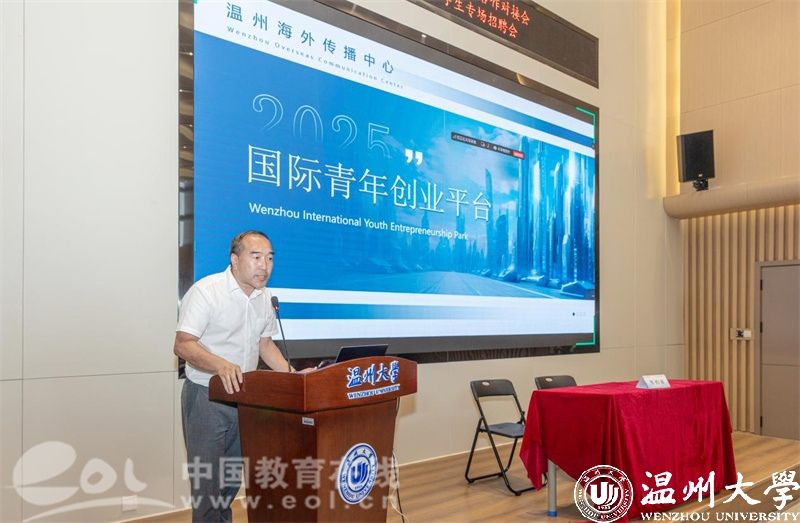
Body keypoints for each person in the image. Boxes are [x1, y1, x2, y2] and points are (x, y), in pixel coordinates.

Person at [174, 230, 293, 522]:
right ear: (235, 260)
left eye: (269, 258)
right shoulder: (207, 291)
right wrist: (220, 365)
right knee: (207, 488)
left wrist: (294, 376)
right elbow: (183, 344)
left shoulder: (264, 298)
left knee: (228, 485)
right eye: (256, 257)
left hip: (244, 399)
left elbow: (265, 345)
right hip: (206, 397)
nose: (264, 266)